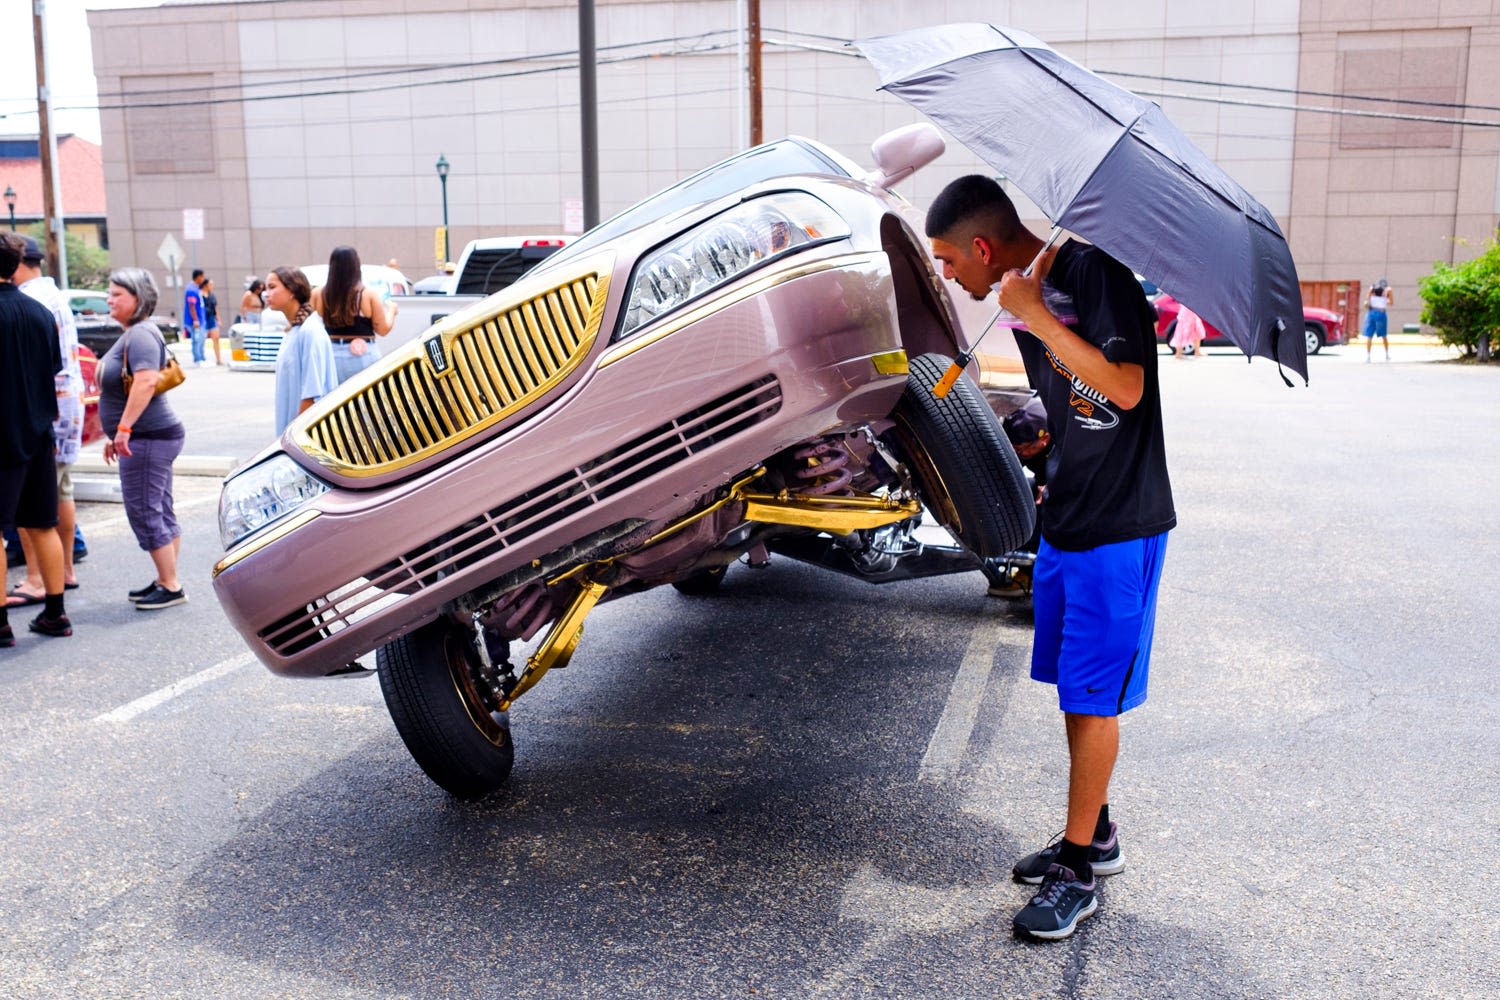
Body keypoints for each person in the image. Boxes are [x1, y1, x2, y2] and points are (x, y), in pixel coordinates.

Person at [926, 176, 1175, 942]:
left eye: (945, 260)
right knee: (1075, 689)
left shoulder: (1094, 276)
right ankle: (1092, 834)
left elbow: (1127, 389)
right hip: (1066, 520)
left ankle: (1078, 870)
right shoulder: (1034, 292)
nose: (947, 276)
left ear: (980, 247)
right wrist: (1032, 427)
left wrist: (1033, 317)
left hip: (1118, 526)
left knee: (1097, 699)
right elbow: (1075, 402)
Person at [101, 268, 188, 610]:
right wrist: (118, 431)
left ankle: (170, 584)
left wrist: (123, 430)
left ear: (138, 298)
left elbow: (146, 381)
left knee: (145, 510)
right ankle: (166, 578)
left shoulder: (139, 334)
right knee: (159, 508)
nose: (110, 299)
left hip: (149, 437)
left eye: (117, 294)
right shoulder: (138, 333)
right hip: (150, 435)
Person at [0, 233, 70, 642]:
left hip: (2, 436)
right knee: (43, 525)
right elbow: (53, 373)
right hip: (39, 432)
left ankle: (1, 623)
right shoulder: (40, 313)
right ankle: (56, 613)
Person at [7, 236, 83, 608]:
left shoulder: (33, 303)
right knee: (47, 513)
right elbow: (54, 365)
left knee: (16, 524)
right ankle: (58, 596)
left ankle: (13, 609)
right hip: (46, 423)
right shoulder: (44, 306)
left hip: (12, 426)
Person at [267, 266, 339, 435]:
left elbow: (312, 394)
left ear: (292, 291)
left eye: (272, 287)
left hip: (306, 436)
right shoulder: (294, 331)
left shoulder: (310, 331)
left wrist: (295, 438)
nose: (266, 294)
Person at [311, 245, 398, 384]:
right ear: (356, 266)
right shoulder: (368, 295)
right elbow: (383, 329)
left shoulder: (318, 294)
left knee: (332, 402)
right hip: (363, 355)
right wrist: (392, 311)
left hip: (329, 355)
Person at [1364, 279, 1392, 362]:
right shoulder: (1387, 290)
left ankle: (1368, 356)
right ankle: (1387, 355)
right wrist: (1385, 298)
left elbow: (1366, 298)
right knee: (1384, 335)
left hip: (1371, 313)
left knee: (1369, 336)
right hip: (1381, 313)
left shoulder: (1372, 290)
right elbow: (1391, 302)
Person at [183, 268, 206, 366]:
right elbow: (191, 306)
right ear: (198, 277)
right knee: (196, 340)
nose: (203, 279)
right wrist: (195, 320)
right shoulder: (191, 289)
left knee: (201, 339)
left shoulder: (196, 288)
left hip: (201, 319)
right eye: (202, 276)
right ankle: (197, 359)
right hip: (195, 320)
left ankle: (202, 358)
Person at [202, 277, 222, 366]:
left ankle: (218, 359)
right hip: (203, 319)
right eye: (210, 284)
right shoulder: (200, 295)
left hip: (211, 318)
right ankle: (202, 359)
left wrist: (218, 319)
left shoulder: (212, 295)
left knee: (216, 339)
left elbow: (215, 308)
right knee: (201, 340)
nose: (212, 286)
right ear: (206, 285)